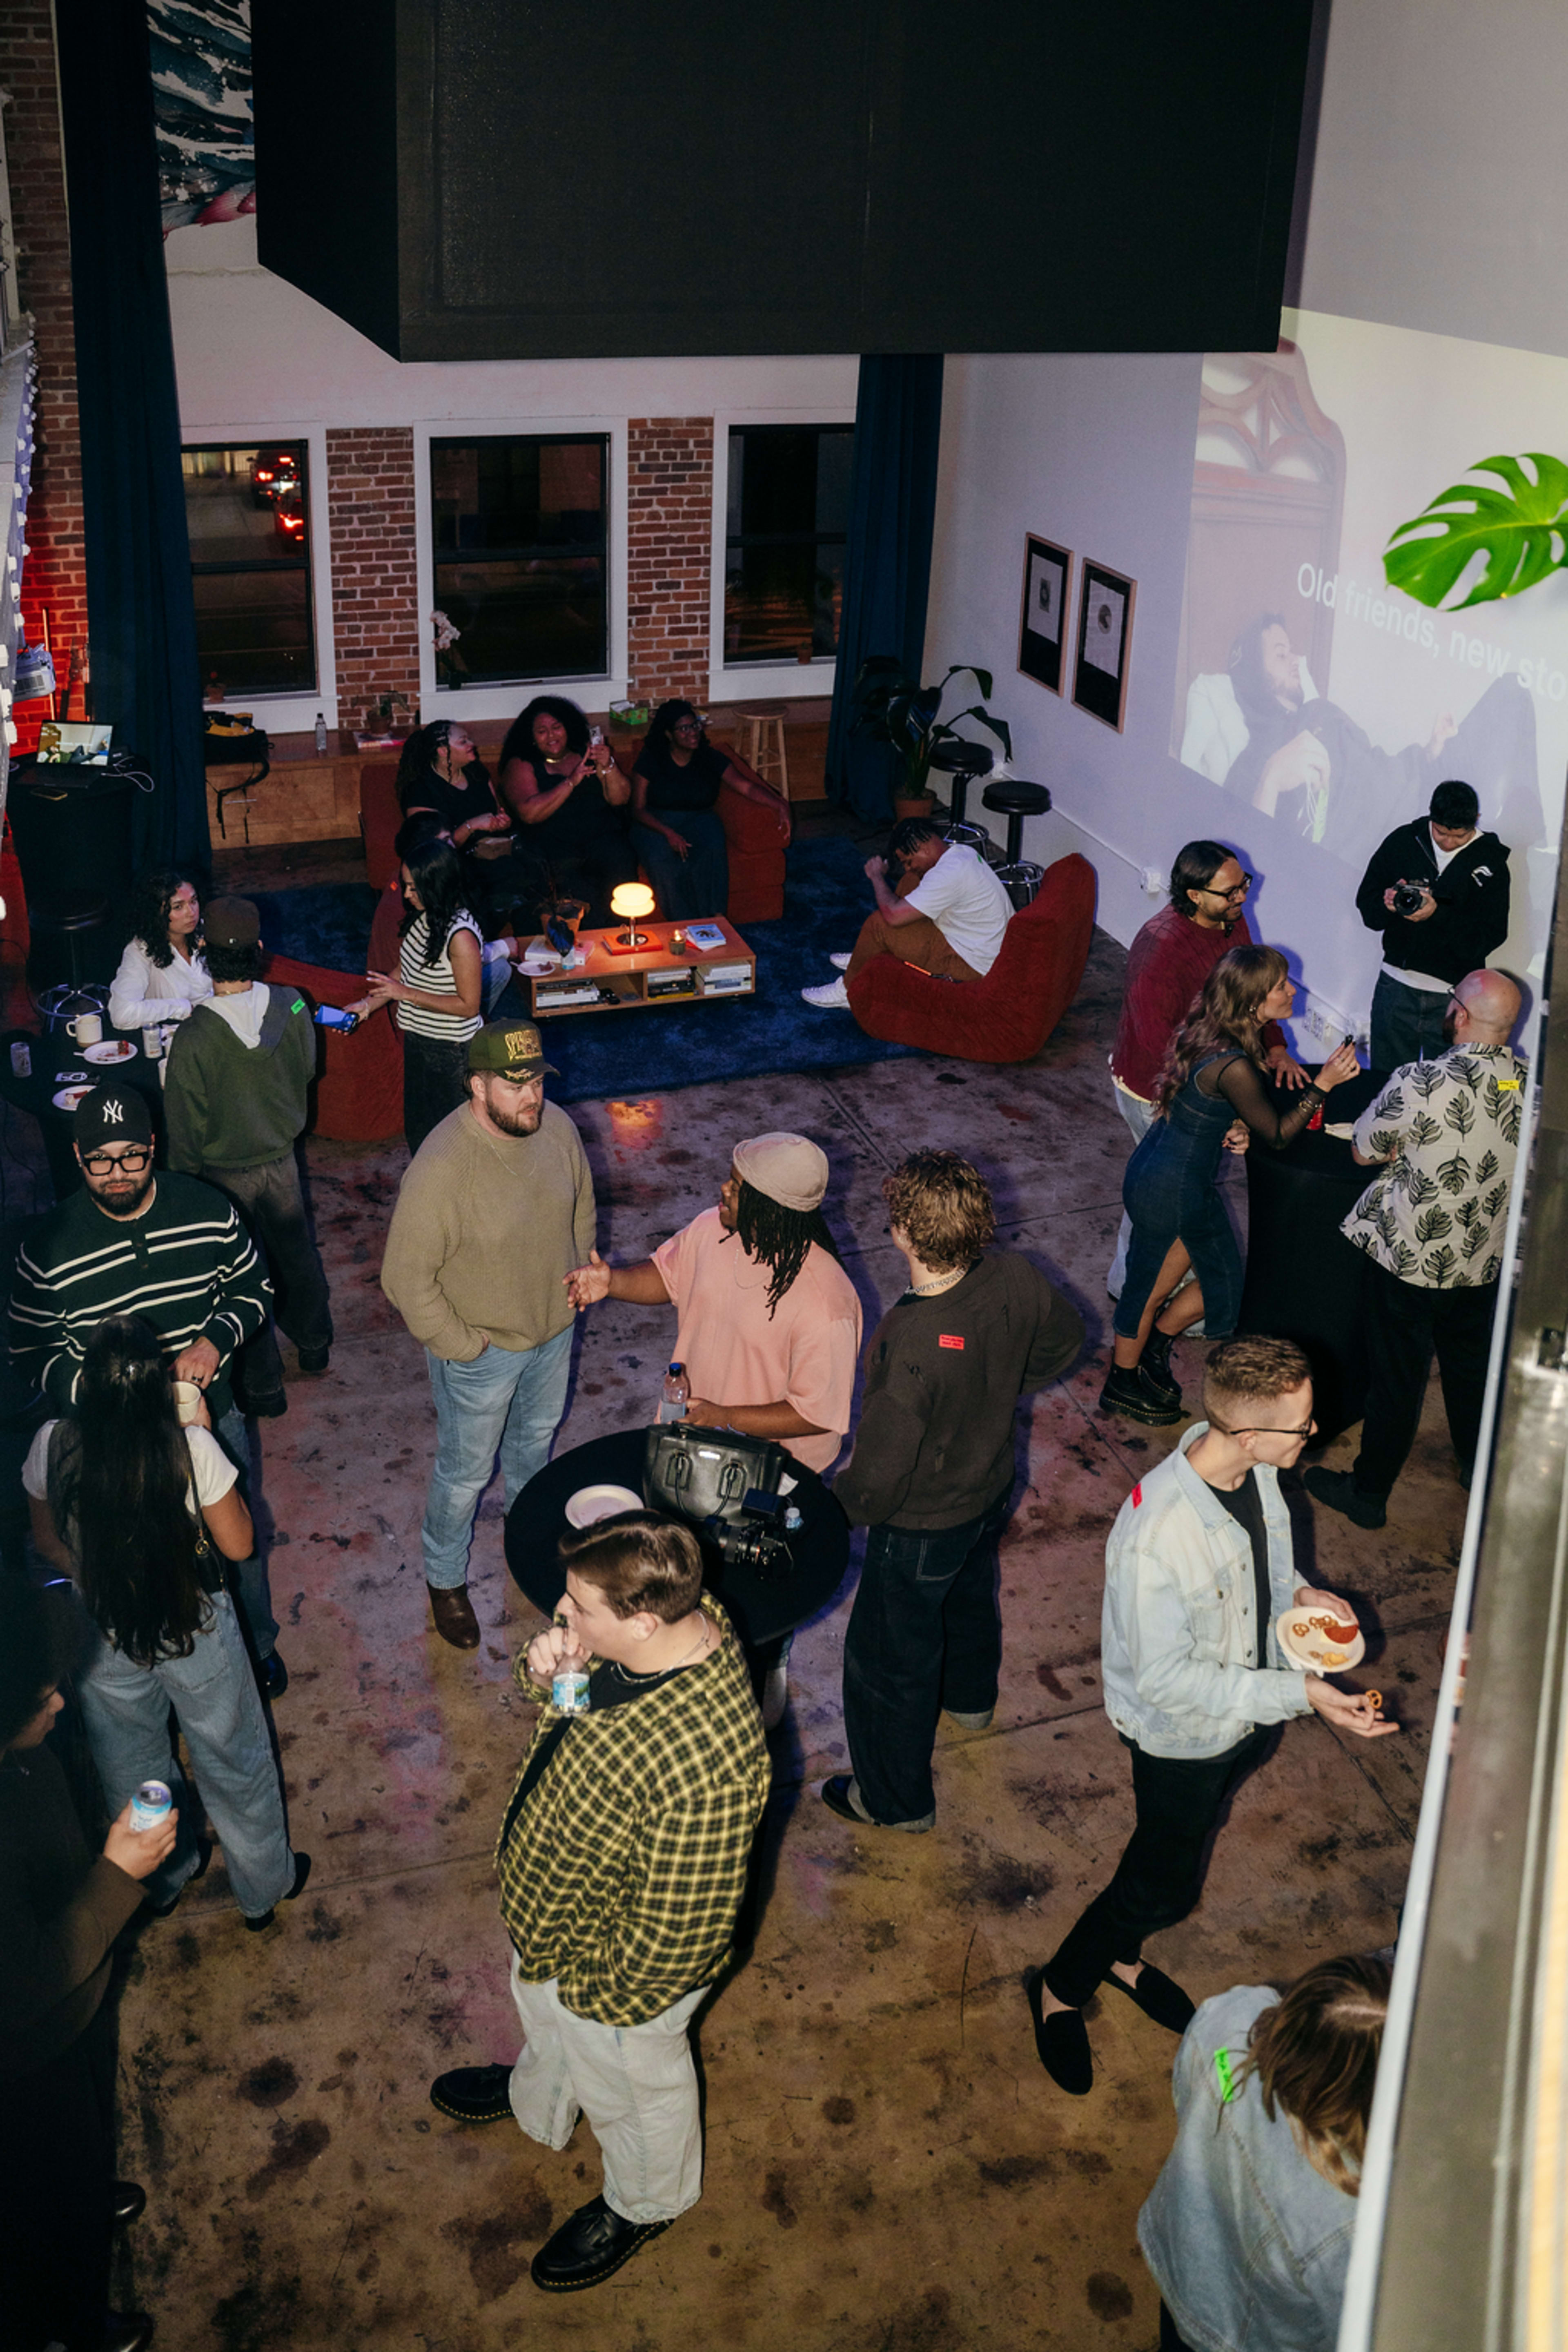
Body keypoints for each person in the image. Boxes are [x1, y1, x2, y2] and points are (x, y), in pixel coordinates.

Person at [1028, 1337, 1396, 2098]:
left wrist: (1302, 1594)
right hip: (1183, 1739)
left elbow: (1261, 1564)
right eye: (1303, 1426)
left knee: (1170, 1856)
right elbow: (1166, 1682)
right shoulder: (1156, 1538)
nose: (1314, 1433)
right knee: (1160, 1884)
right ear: (1250, 1434)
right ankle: (1062, 1986)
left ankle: (1122, 1955)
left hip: (1243, 1717)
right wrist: (1303, 1695)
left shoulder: (1254, 1472)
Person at [428, 1511, 769, 2294]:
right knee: (548, 2021)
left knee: (634, 2091)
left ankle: (647, 2202)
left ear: (643, 1622)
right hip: (560, 1916)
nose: (560, 1612)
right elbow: (569, 1712)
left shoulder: (709, 1763)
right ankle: (540, 2104)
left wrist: (600, 1999)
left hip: (619, 1975)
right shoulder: (656, 1627)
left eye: (578, 1608)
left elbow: (680, 1932)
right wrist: (555, 1671)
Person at [822, 1150, 1084, 1833]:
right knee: (969, 1595)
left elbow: (878, 1480)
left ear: (904, 1234)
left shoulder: (908, 1341)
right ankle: (970, 1702)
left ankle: (894, 1802)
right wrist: (997, 1389)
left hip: (921, 1526)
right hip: (989, 1488)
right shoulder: (1018, 1276)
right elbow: (1066, 1340)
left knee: (889, 1663)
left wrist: (833, 1510)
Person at [24, 1316, 307, 1930]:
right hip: (191, 1624)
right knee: (233, 1757)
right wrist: (203, 1432)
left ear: (85, 1387)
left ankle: (162, 1879)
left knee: (127, 1762)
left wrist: (104, 1575)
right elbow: (239, 1545)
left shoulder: (52, 1444)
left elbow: (48, 1544)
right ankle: (263, 1887)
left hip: (100, 1634)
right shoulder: (191, 1450)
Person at [9, 1083, 287, 1698]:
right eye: (101, 1160)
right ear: (77, 1158)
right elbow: (27, 1350)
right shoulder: (47, 1246)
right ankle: (144, 1668)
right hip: (103, 1439)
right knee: (128, 1554)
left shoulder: (207, 1209)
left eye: (132, 1156)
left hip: (205, 1419)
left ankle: (258, 1644)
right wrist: (98, 1394)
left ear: (152, 1147)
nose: (118, 1173)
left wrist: (213, 1341)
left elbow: (255, 1288)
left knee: (232, 1542)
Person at [0, 1577, 178, 2352]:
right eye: (40, 1695)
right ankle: (71, 2326)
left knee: (80, 2141)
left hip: (68, 2022)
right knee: (42, 2199)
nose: (60, 1702)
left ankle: (81, 2190)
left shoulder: (19, 1754)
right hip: (25, 2053)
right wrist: (117, 1875)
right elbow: (28, 1979)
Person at [381, 1019, 595, 1650]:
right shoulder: (443, 1168)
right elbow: (403, 1278)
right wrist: (462, 1345)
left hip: (553, 1331)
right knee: (466, 1473)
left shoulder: (557, 1128)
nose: (532, 1097)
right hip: (484, 1352)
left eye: (537, 1082)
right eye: (515, 1085)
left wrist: (579, 1277)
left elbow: (581, 1206)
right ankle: (445, 1577)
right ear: (477, 1086)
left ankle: (526, 1545)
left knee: (535, 1447)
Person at [1103, 947, 1361, 1426]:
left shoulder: (1222, 1032)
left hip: (1177, 1177)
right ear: (1253, 1001)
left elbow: (1207, 1103)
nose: (1292, 991)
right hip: (1171, 1188)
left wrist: (1236, 1124)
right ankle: (1121, 1383)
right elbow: (1279, 1135)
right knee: (1146, 1290)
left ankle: (1155, 1349)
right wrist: (1323, 1083)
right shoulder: (1232, 1062)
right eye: (1281, 985)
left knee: (1222, 1284)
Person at [1306, 967, 1525, 1530]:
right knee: (1470, 1371)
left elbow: (1363, 1151)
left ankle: (1368, 1494)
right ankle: (1478, 1470)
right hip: (1482, 1260)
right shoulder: (1528, 1085)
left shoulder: (1420, 1080)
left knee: (1396, 1380)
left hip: (1411, 1262)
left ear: (1461, 1015)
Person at [564, 1132, 861, 1479]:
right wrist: (613, 1283)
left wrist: (725, 1418)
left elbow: (816, 1413)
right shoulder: (711, 1229)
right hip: (691, 1436)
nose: (723, 1189)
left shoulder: (827, 1303)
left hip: (770, 1471)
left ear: (770, 1208)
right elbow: (670, 1276)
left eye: (737, 1188)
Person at [1139, 1953, 1392, 2352]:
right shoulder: (1349, 2216)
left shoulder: (1232, 2017)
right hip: (1243, 2336)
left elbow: (1186, 2093)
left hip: (1182, 2260)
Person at [1106, 841, 1301, 1303]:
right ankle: (1139, 1293)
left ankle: (1132, 1285)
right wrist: (1215, 1108)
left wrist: (1276, 1047)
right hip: (1159, 1091)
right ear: (1194, 895)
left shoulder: (1231, 920)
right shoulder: (1160, 947)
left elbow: (1252, 989)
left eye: (1243, 886)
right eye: (1230, 892)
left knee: (1162, 1194)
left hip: (1203, 1081)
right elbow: (1157, 1045)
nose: (1242, 898)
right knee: (1168, 1199)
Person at [163, 895, 333, 1410]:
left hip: (222, 1179)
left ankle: (265, 1388)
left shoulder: (194, 1036)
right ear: (260, 949)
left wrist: (184, 1185)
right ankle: (315, 1345)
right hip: (281, 1163)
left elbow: (185, 1126)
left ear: (204, 952)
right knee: (296, 1257)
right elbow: (308, 1071)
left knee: (240, 1280)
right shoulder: (294, 1003)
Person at [1355, 779, 1512, 1070]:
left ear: (1476, 820)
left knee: (1449, 1086)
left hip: (1455, 1000)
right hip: (1396, 986)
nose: (1448, 842)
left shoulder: (1491, 863)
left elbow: (1491, 936)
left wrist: (1437, 914)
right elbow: (1368, 910)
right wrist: (1386, 905)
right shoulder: (1404, 842)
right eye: (1441, 833)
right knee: (1385, 1084)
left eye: (1459, 836)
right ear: (1431, 817)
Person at [356, 834, 485, 1156]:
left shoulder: (462, 938)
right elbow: (404, 971)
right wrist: (367, 1007)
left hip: (452, 1051)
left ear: (436, 885)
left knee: (454, 1143)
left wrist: (407, 995)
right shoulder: (425, 917)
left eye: (414, 888)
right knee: (419, 1134)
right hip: (419, 1041)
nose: (407, 895)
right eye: (406, 886)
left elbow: (469, 1006)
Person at [802, 817, 1014, 1010]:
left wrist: (877, 877)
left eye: (909, 862)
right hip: (984, 946)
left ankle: (849, 992)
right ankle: (868, 954)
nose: (908, 868)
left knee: (879, 925)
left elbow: (893, 916)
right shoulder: (961, 852)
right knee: (912, 881)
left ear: (924, 848)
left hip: (973, 965)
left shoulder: (948, 874)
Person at [629, 699, 789, 922]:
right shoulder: (652, 759)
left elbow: (746, 786)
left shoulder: (709, 757)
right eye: (684, 729)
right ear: (669, 734)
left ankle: (716, 920)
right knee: (662, 861)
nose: (693, 732)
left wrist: (779, 803)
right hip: (656, 822)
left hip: (698, 818)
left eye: (695, 725)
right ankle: (685, 924)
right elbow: (637, 809)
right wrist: (668, 833)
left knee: (713, 838)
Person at [497, 695, 636, 931]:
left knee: (620, 862)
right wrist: (571, 782)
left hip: (602, 840)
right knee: (575, 887)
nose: (551, 736)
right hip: (554, 848)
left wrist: (609, 765)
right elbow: (529, 813)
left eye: (556, 727)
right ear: (531, 737)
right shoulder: (522, 763)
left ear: (568, 728)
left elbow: (620, 799)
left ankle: (620, 936)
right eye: (542, 731)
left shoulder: (586, 753)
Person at [108, 866, 212, 1034]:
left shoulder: (207, 931)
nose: (191, 913)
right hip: (178, 1038)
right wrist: (182, 1007)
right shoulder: (140, 951)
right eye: (178, 907)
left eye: (194, 901)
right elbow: (122, 1014)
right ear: (157, 912)